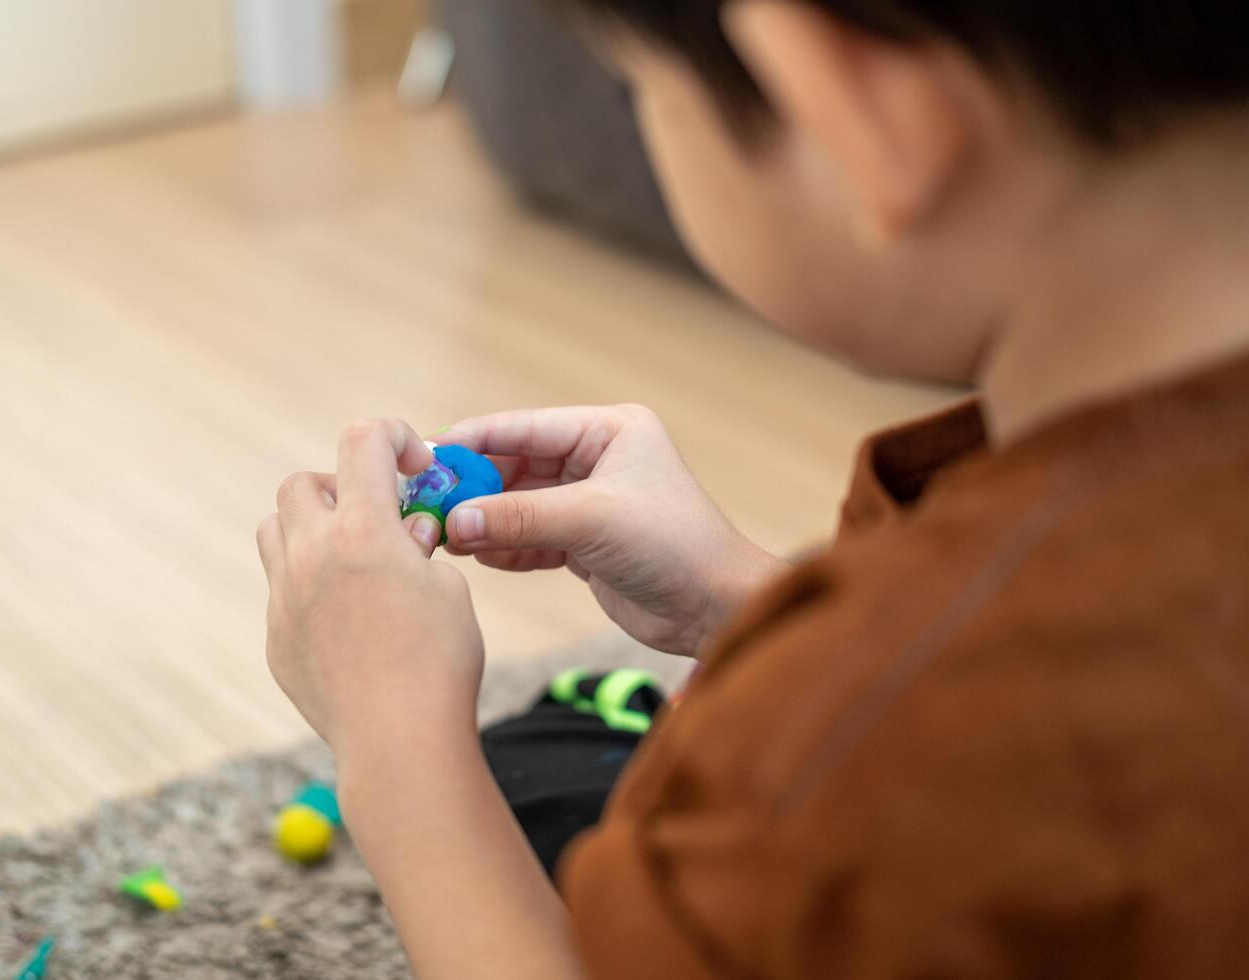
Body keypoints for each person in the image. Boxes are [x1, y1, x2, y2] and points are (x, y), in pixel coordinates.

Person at [255, 0, 1249, 974]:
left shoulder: (830, 744)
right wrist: (746, 598)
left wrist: (392, 739)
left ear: (854, 101)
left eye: (643, 87)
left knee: (521, 800)